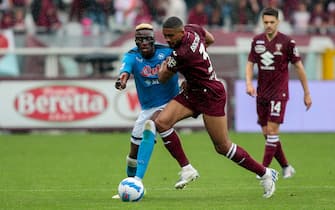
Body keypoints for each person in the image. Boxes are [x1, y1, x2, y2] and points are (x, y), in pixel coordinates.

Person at [144, 16, 279, 199]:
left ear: (181, 32)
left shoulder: (181, 54)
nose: (167, 40)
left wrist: (163, 66)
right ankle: (187, 168)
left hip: (210, 94)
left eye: (170, 36)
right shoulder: (193, 29)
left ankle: (265, 173)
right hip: (193, 91)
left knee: (222, 146)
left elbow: (162, 77)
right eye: (165, 36)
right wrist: (196, 66)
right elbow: (210, 39)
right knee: (162, 122)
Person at [112, 23, 199, 198]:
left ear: (153, 39)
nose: (143, 43)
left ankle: (139, 180)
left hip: (171, 102)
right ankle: (131, 185)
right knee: (132, 154)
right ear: (136, 42)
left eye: (147, 39)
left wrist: (189, 80)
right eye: (140, 39)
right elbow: (125, 71)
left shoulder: (166, 52)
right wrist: (121, 81)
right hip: (147, 107)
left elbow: (188, 65)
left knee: (153, 124)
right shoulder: (132, 56)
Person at [245, 7, 312, 179]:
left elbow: (299, 67)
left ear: (278, 22)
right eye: (265, 22)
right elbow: (250, 63)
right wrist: (249, 83)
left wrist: (307, 93)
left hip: (279, 93)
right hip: (262, 93)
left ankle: (263, 170)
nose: (268, 25)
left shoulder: (287, 42)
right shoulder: (257, 41)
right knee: (267, 133)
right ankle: (286, 166)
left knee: (273, 131)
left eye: (271, 22)